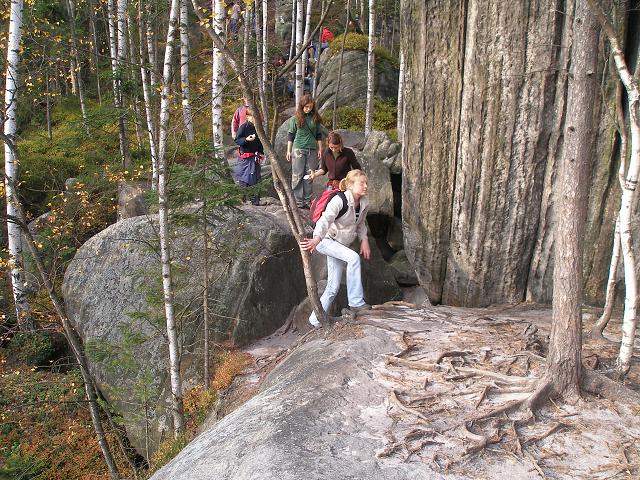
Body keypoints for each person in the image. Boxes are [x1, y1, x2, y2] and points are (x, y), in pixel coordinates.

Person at [300, 170, 371, 327]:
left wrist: (364, 240)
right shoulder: (340, 200)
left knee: (333, 287)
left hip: (340, 244)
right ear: (351, 185)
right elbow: (324, 220)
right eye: (361, 183)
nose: (365, 186)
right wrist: (316, 239)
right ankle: (356, 302)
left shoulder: (364, 202)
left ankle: (314, 321)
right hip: (326, 240)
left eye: (366, 183)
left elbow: (360, 224)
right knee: (353, 258)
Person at [286, 94, 324, 209]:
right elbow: (290, 135)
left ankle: (307, 201)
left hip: (312, 149)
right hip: (298, 148)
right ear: (302, 106)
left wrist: (320, 148)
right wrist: (288, 151)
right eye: (306, 106)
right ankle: (298, 201)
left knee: (309, 175)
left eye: (310, 107)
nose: (308, 109)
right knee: (297, 175)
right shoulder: (295, 119)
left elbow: (319, 135)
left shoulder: (315, 118)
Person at [234, 111, 264, 205]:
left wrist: (261, 152)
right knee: (245, 179)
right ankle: (241, 199)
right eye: (253, 117)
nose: (255, 119)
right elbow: (237, 140)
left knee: (257, 178)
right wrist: (246, 139)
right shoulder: (244, 127)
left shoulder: (257, 128)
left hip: (255, 157)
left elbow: (259, 142)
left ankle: (255, 201)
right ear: (248, 117)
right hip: (245, 158)